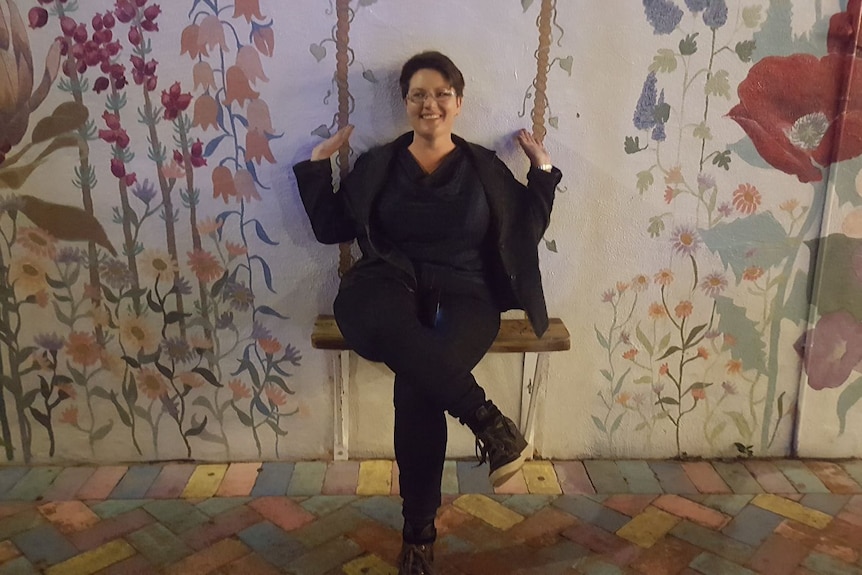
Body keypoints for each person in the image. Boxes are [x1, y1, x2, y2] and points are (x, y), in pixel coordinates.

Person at [293, 51, 561, 575]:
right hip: (388, 283)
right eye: (418, 94)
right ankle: (488, 421)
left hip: (467, 293)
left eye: (441, 94)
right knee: (366, 310)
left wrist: (543, 172)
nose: (429, 103)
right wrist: (317, 164)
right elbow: (331, 227)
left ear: (458, 103)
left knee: (418, 383)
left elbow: (524, 230)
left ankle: (418, 539)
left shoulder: (483, 167)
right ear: (405, 103)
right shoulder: (381, 164)